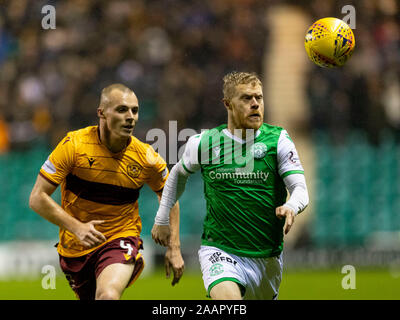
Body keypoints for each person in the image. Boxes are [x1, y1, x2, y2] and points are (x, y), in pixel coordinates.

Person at [151, 71, 309, 300]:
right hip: (220, 251)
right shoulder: (204, 142)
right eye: (246, 98)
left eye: (259, 97)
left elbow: (300, 189)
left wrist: (292, 205)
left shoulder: (278, 140)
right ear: (228, 104)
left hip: (267, 259)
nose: (255, 104)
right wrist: (162, 217)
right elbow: (177, 175)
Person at [29, 83, 184, 300]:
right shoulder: (73, 145)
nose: (130, 117)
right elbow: (37, 197)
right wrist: (77, 228)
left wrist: (174, 247)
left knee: (108, 295)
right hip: (75, 247)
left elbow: (170, 197)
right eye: (122, 110)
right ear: (101, 113)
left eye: (135, 110)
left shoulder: (147, 158)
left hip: (121, 236)